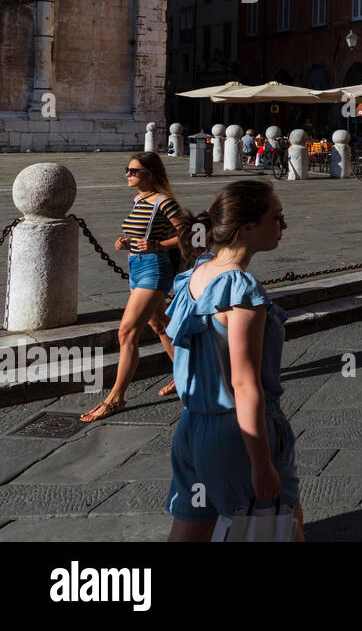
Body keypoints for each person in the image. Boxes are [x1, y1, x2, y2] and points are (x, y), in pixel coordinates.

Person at [164, 180, 303, 541]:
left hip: (193, 426)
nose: (283, 226)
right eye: (276, 217)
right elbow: (244, 383)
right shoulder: (242, 290)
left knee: (190, 531)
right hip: (237, 433)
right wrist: (261, 464)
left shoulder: (196, 274)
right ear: (248, 228)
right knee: (280, 528)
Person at [81, 153, 189, 422]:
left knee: (127, 332)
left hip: (154, 270)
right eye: (127, 169)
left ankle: (115, 398)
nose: (127, 174)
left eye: (134, 171)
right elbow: (142, 232)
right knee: (160, 325)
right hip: (136, 267)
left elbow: (192, 234)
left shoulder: (164, 201)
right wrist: (126, 241)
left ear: (151, 174)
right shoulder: (139, 200)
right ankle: (186, 373)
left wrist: (158, 246)